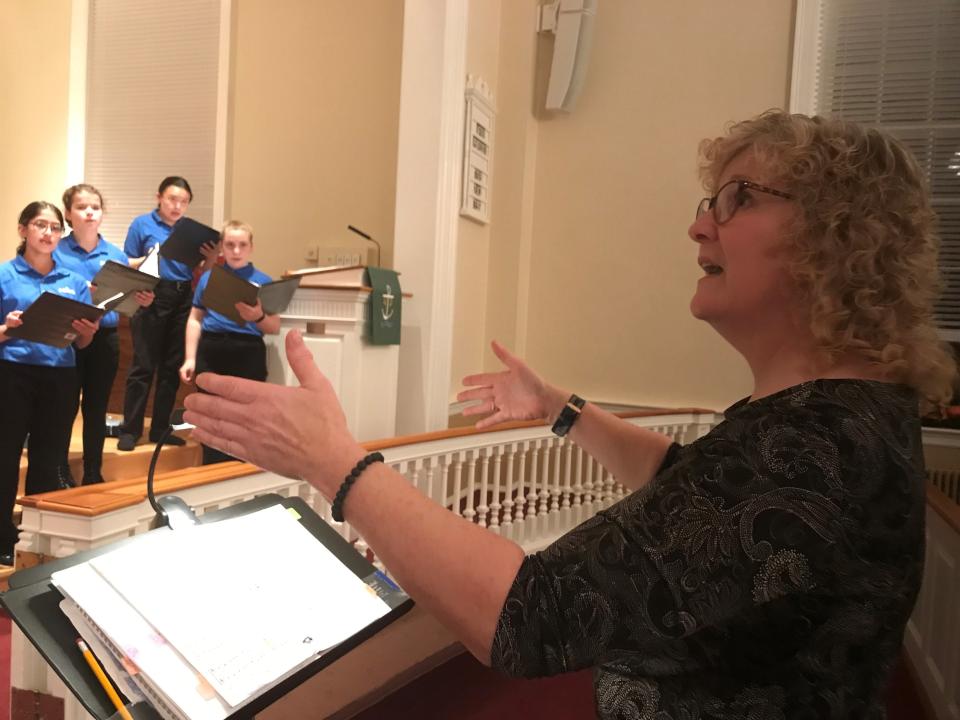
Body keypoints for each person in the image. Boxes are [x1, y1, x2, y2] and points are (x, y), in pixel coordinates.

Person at [183, 111, 956, 717]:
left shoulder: (816, 446)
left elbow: (532, 615)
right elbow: (690, 491)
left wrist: (336, 463)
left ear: (839, 235)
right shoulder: (831, 422)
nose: (699, 225)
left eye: (740, 198)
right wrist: (563, 410)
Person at [0, 202, 99, 566]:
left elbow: (83, 343)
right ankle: (3, 536)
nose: (48, 233)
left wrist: (86, 333)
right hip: (12, 374)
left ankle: (37, 537)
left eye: (55, 227)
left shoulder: (73, 282)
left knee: (49, 458)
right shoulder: (4, 275)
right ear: (23, 229)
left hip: (60, 377)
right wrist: (8, 329)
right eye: (40, 225)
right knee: (5, 457)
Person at [54, 184, 155, 485]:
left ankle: (92, 471)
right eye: (81, 207)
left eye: (95, 207)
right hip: (66, 337)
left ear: (102, 213)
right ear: (69, 214)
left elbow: (124, 300)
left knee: (96, 408)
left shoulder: (114, 253)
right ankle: (59, 470)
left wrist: (141, 300)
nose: (89, 212)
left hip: (106, 336)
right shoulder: (56, 251)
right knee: (64, 406)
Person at [117, 176, 218, 451]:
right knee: (143, 365)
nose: (177, 206)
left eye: (183, 202)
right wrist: (153, 255)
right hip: (151, 293)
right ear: (159, 197)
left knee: (171, 368)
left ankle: (160, 429)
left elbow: (201, 272)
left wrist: (210, 256)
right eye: (172, 199)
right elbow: (127, 262)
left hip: (183, 294)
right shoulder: (143, 224)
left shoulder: (190, 231)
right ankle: (131, 429)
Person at [179, 221, 280, 464]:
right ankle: (211, 469)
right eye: (230, 245)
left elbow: (274, 326)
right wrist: (190, 357)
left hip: (247, 352)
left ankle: (240, 472)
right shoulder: (208, 278)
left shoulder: (264, 281)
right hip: (212, 350)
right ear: (222, 247)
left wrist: (258, 316)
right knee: (210, 416)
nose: (236, 251)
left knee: (245, 418)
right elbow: (195, 319)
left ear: (251, 248)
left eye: (242, 245)